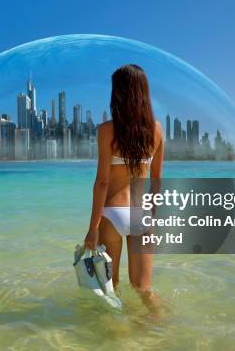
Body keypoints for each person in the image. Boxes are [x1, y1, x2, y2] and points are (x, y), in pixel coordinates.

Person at [83, 64, 164, 312]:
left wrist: (92, 229)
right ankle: (163, 331)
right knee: (144, 289)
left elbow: (102, 182)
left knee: (111, 289)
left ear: (117, 92)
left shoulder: (107, 130)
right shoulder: (157, 130)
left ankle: (117, 339)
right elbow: (156, 182)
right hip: (141, 214)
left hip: (112, 213)